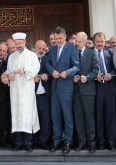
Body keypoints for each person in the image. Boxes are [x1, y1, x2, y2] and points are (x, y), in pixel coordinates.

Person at [2, 32, 40, 151]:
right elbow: (8, 71)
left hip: (27, 92)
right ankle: (18, 143)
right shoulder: (11, 57)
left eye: (20, 43)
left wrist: (24, 70)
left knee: (27, 116)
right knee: (17, 116)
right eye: (16, 43)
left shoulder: (32, 55)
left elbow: (35, 69)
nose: (18, 45)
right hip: (15, 91)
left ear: (24, 42)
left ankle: (28, 143)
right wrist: (9, 76)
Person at [45, 26, 79, 154]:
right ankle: (56, 140)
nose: (58, 41)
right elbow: (46, 63)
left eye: (60, 38)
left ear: (65, 37)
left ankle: (68, 142)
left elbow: (76, 66)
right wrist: (51, 70)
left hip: (66, 88)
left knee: (67, 116)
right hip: (54, 88)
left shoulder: (71, 48)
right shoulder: (52, 49)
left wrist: (67, 72)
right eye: (56, 38)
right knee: (55, 116)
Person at [73, 32, 99, 153]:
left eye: (79, 41)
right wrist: (72, 76)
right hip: (74, 91)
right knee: (78, 118)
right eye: (76, 41)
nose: (76, 43)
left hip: (88, 90)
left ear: (84, 41)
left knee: (89, 117)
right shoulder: (72, 51)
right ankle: (81, 142)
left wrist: (87, 77)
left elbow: (96, 69)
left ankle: (91, 143)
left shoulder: (91, 52)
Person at [94, 32, 116, 151]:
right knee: (98, 115)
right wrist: (94, 75)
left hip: (109, 88)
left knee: (110, 115)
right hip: (96, 88)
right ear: (94, 42)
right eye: (98, 41)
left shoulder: (111, 52)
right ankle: (101, 141)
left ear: (105, 42)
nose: (100, 44)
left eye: (102, 41)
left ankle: (111, 141)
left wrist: (112, 75)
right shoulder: (89, 53)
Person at [33, 40, 51, 149]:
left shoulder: (48, 59)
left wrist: (47, 76)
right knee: (34, 119)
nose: (41, 50)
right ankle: (34, 142)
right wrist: (31, 78)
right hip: (33, 96)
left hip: (45, 95)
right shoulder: (30, 59)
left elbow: (53, 72)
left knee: (45, 120)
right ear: (35, 48)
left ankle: (44, 142)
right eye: (38, 48)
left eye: (42, 48)